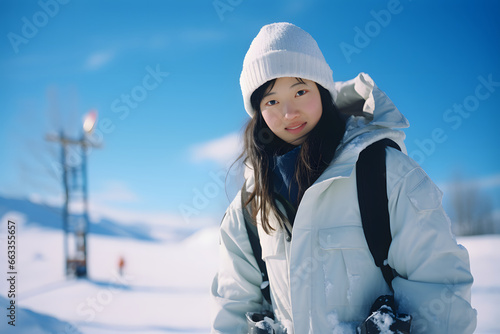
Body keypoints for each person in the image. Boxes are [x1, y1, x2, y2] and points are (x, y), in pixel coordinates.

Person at [210, 22, 477, 334]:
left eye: (300, 91)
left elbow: (440, 290)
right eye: (271, 101)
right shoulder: (250, 205)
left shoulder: (385, 172)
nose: (288, 112)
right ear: (258, 111)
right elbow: (234, 308)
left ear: (323, 91)